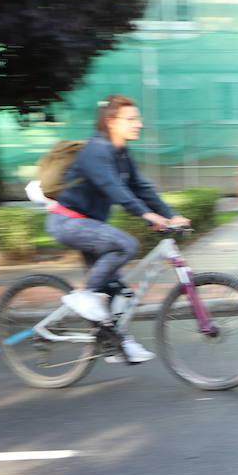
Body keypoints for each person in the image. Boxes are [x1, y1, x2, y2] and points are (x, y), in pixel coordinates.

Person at [46, 94, 190, 362]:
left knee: (117, 290)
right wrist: (147, 215)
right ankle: (83, 295)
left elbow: (141, 188)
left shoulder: (121, 153)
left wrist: (171, 215)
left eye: (138, 118)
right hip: (67, 222)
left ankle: (114, 344)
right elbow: (114, 188)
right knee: (126, 245)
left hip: (89, 225)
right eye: (131, 119)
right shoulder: (95, 150)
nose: (139, 123)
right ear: (111, 121)